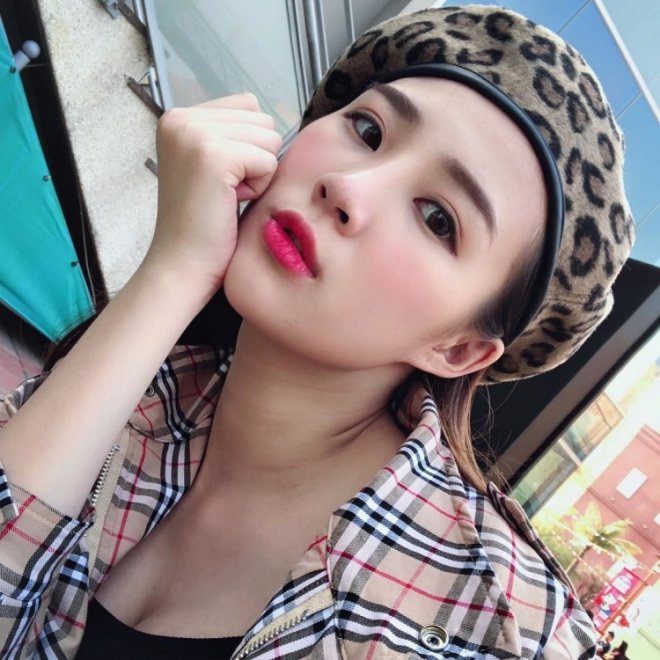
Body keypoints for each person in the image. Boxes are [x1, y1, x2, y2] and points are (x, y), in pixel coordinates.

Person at [0, 5, 633, 659]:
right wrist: (173, 271)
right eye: (368, 130)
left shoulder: (499, 624)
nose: (347, 187)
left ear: (459, 348)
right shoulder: (138, 397)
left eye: (438, 218)